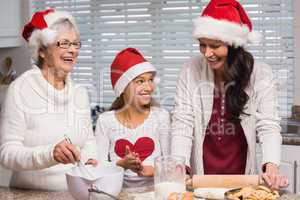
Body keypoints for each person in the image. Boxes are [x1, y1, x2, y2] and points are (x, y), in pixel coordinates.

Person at [171, 0, 289, 189]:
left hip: (242, 177)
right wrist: (179, 165)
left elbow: (268, 124)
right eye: (202, 45)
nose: (207, 53)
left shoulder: (260, 74)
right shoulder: (190, 70)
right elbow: (182, 122)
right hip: (202, 178)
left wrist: (271, 165)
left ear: (234, 46)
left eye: (215, 46)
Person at [0, 9, 97, 191]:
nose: (73, 50)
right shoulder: (20, 89)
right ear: (42, 50)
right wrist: (50, 154)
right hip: (31, 195)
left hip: (75, 193)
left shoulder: (80, 92)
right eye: (64, 43)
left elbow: (88, 140)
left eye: (76, 43)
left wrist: (90, 160)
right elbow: (7, 154)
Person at [95, 47, 170, 187]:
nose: (149, 87)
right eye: (140, 81)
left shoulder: (161, 117)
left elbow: (172, 163)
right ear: (122, 88)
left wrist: (153, 170)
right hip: (118, 193)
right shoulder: (105, 121)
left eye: (150, 80)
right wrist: (122, 164)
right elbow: (99, 167)